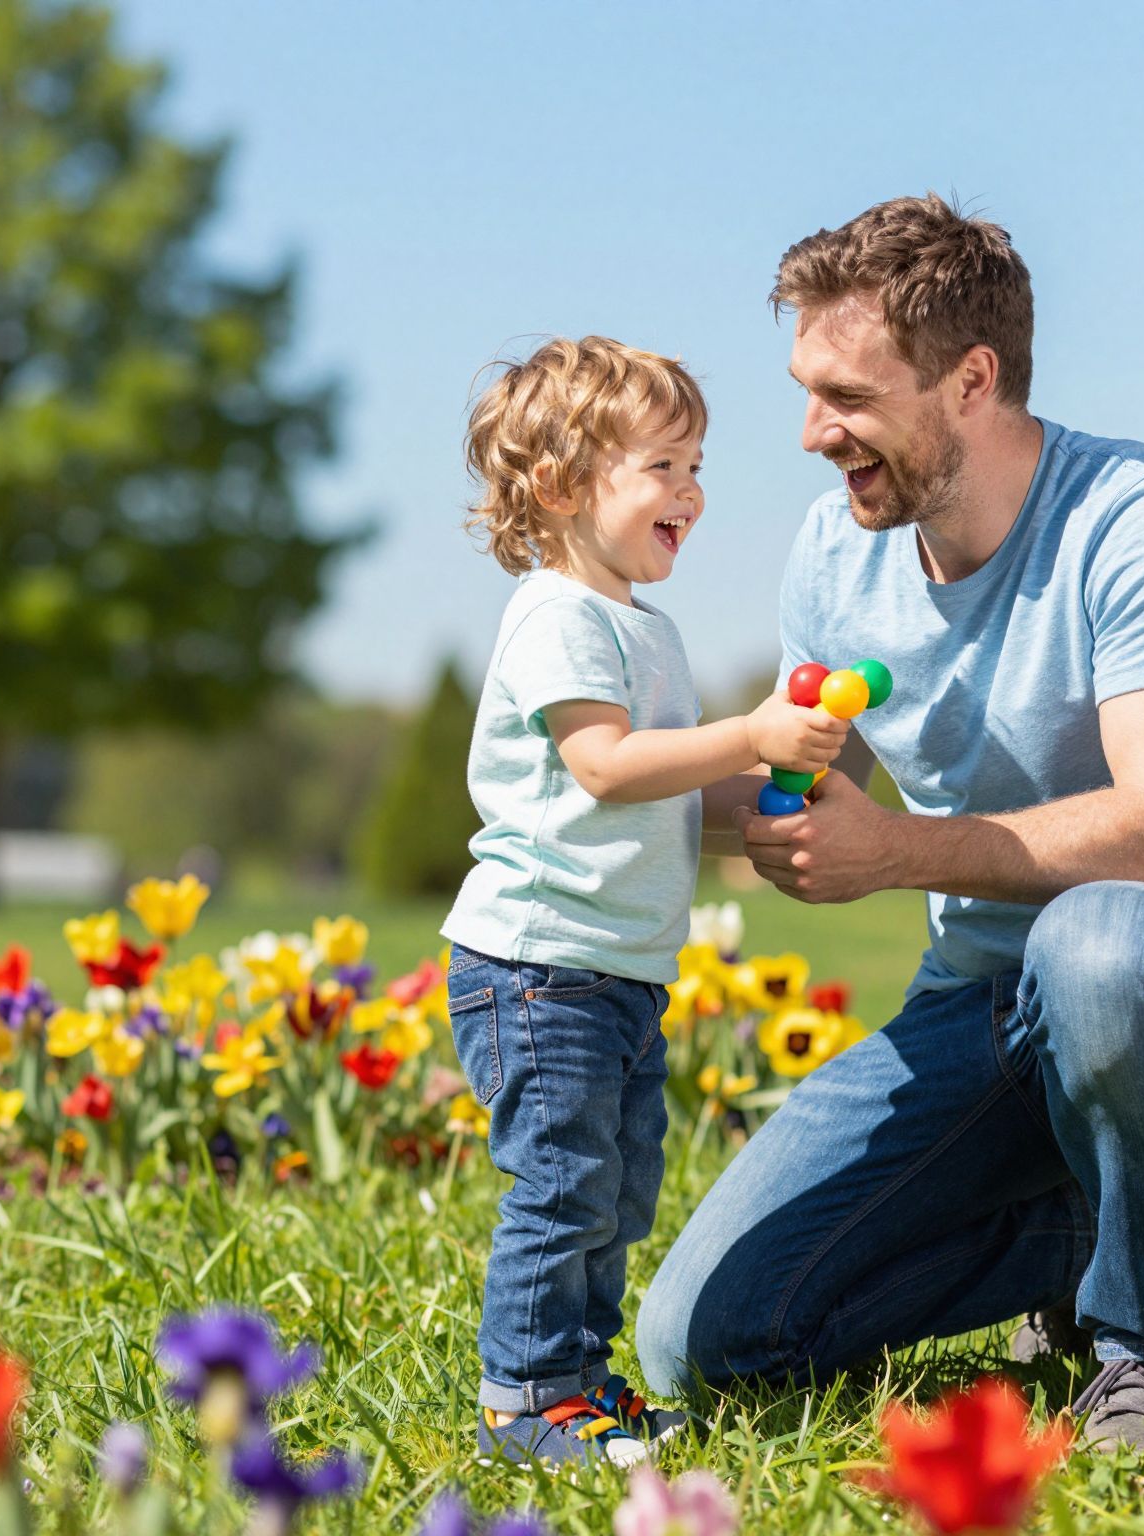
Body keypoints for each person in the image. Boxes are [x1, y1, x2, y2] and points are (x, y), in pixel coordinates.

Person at [636, 197, 1144, 1458]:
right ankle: (1079, 1231)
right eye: (806, 391)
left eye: (847, 395)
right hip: (980, 1007)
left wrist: (893, 853)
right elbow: (796, 792)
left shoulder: (1141, 520)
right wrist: (609, 785)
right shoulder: (831, 556)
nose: (811, 433)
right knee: (702, 1343)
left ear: (971, 380)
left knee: (1102, 944)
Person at [439, 336, 848, 1466]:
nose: (692, 494)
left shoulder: (641, 628)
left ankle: (579, 1383)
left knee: (615, 1195)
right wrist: (751, 729)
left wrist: (773, 793)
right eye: (663, 467)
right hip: (536, 967)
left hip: (612, 971)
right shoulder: (557, 614)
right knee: (564, 1188)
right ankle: (522, 1405)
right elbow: (609, 769)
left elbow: (665, 791)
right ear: (566, 486)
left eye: (697, 466)